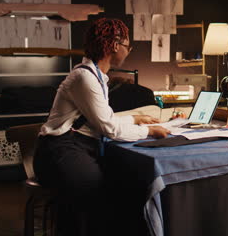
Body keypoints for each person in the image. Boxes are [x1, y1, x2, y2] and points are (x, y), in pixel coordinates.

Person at [33, 17, 170, 235]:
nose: (128, 51)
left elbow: (102, 119)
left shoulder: (96, 77)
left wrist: (135, 120)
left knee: (118, 184)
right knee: (98, 192)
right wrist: (149, 131)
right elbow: (109, 128)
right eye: (127, 46)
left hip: (73, 147)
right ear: (115, 45)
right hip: (59, 151)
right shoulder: (84, 78)